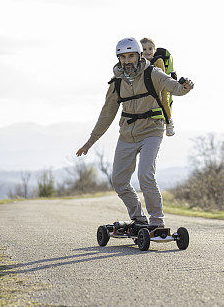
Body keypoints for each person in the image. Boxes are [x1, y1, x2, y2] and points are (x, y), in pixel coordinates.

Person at [76, 37, 195, 227]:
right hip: (127, 134)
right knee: (119, 181)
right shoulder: (116, 83)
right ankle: (138, 218)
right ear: (118, 59)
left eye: (131, 56)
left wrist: (186, 87)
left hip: (152, 130)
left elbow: (175, 88)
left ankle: (157, 222)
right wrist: (90, 142)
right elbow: (106, 115)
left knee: (145, 175)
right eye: (123, 57)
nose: (127, 60)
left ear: (139, 56)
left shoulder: (153, 73)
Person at [140, 37, 176, 136]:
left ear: (154, 50)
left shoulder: (158, 61)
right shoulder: (139, 63)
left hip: (161, 86)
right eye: (144, 49)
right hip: (147, 87)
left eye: (150, 49)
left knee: (164, 101)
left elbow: (162, 76)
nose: (147, 52)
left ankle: (169, 121)